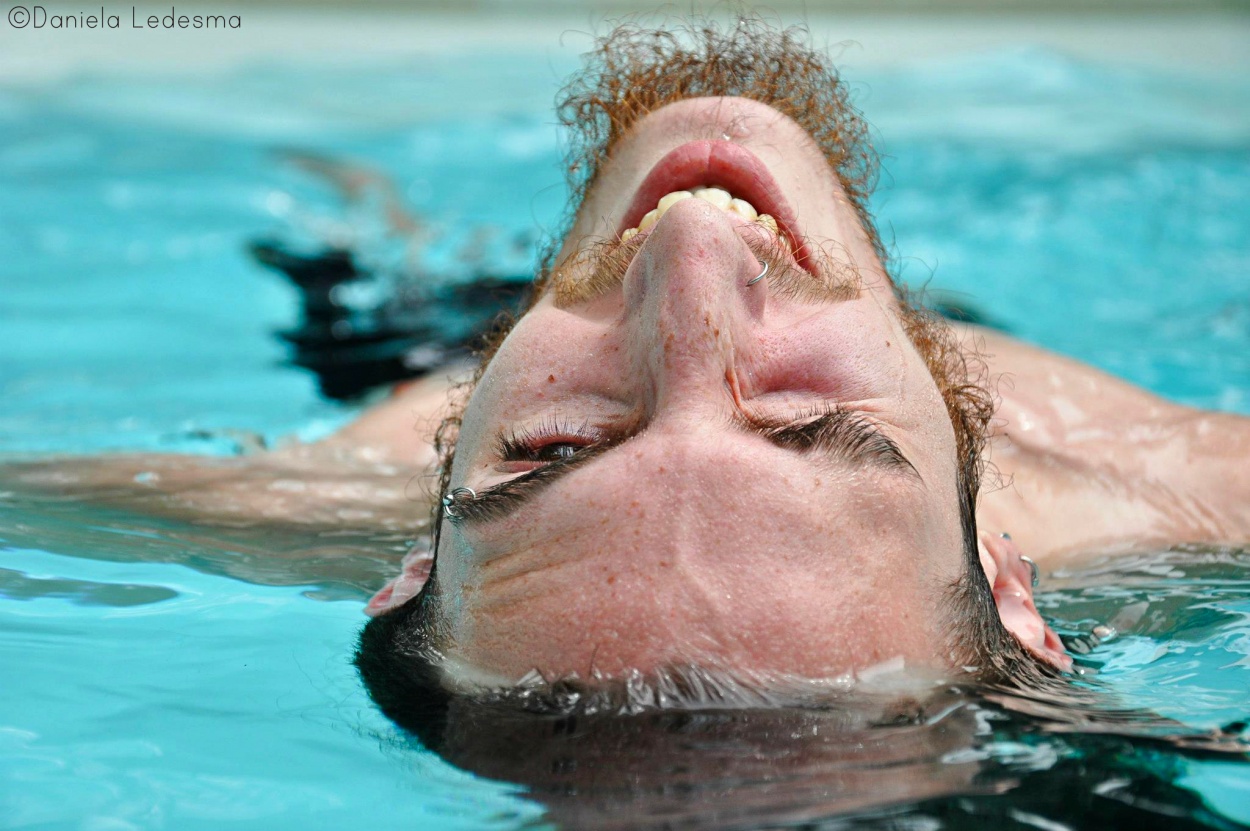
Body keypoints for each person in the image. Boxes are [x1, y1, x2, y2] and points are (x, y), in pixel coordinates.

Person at [6, 20, 1248, 742]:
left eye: (552, 447)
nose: (687, 260)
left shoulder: (292, 503)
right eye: (809, 424)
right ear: (1004, 584)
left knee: (381, 271)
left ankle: (368, 213)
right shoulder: (1192, 497)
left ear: (413, 563)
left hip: (434, 355)